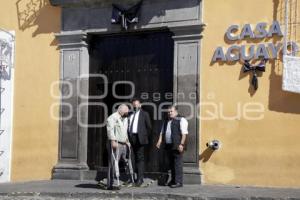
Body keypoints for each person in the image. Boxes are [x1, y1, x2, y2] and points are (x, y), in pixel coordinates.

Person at [156, 105, 188, 188]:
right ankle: (173, 180)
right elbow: (162, 131)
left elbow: (184, 133)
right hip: (168, 145)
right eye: (168, 112)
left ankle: (179, 182)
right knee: (171, 164)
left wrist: (181, 144)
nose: (170, 113)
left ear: (176, 112)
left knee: (177, 164)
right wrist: (159, 141)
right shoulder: (166, 120)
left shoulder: (181, 119)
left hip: (177, 145)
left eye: (171, 111)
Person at [128, 98, 152, 187]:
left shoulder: (145, 114)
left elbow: (149, 127)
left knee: (140, 159)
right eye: (134, 105)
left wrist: (144, 137)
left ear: (140, 105)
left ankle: (140, 179)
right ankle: (131, 177)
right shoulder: (130, 114)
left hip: (140, 139)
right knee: (131, 159)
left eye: (136, 104)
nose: (135, 106)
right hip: (130, 139)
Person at [106, 104, 130, 190]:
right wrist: (112, 140)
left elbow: (124, 131)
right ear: (121, 110)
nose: (127, 113)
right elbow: (110, 129)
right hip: (115, 143)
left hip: (123, 143)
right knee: (113, 163)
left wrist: (127, 140)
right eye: (126, 111)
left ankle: (126, 180)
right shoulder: (113, 117)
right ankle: (111, 184)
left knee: (125, 161)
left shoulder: (124, 118)